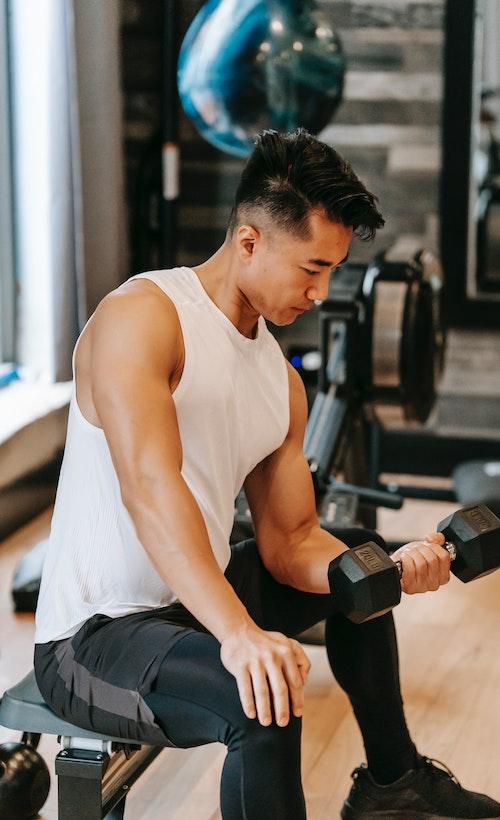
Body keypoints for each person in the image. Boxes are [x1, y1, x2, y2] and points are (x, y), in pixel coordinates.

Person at [33, 129, 500, 819]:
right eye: (312, 267)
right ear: (249, 241)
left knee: (356, 555)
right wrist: (239, 635)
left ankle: (391, 784)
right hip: (96, 636)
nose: (322, 290)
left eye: (334, 270)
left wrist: (395, 567)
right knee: (266, 698)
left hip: (193, 603)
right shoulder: (141, 318)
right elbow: (150, 491)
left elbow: (292, 543)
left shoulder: (279, 380)